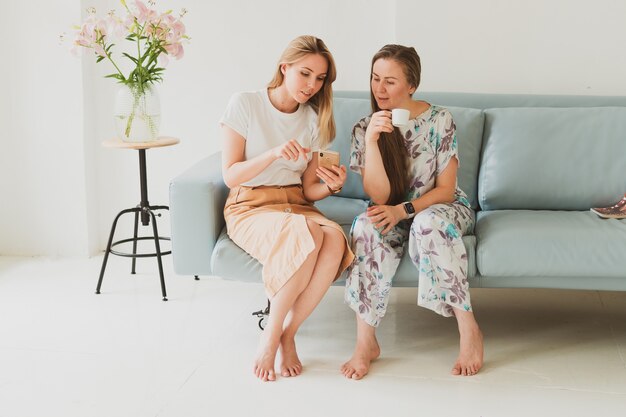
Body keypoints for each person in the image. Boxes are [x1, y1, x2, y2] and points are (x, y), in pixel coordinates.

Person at [341, 44, 484, 379]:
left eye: (390, 81)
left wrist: (403, 211)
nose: (379, 88)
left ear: (411, 85)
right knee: (365, 227)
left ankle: (469, 329)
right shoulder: (365, 127)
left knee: (428, 224)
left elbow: (446, 190)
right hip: (392, 209)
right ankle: (366, 342)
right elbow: (378, 196)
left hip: (441, 208)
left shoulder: (439, 120)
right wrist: (374, 141)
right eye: (375, 78)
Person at [220, 35, 355, 382]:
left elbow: (308, 191)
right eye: (305, 74)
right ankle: (270, 337)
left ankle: (288, 334)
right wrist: (273, 154)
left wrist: (332, 185)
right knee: (307, 232)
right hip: (250, 204)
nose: (312, 85)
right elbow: (231, 174)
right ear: (285, 67)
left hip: (295, 204)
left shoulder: (312, 119)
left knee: (336, 239)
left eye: (320, 79)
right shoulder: (245, 104)